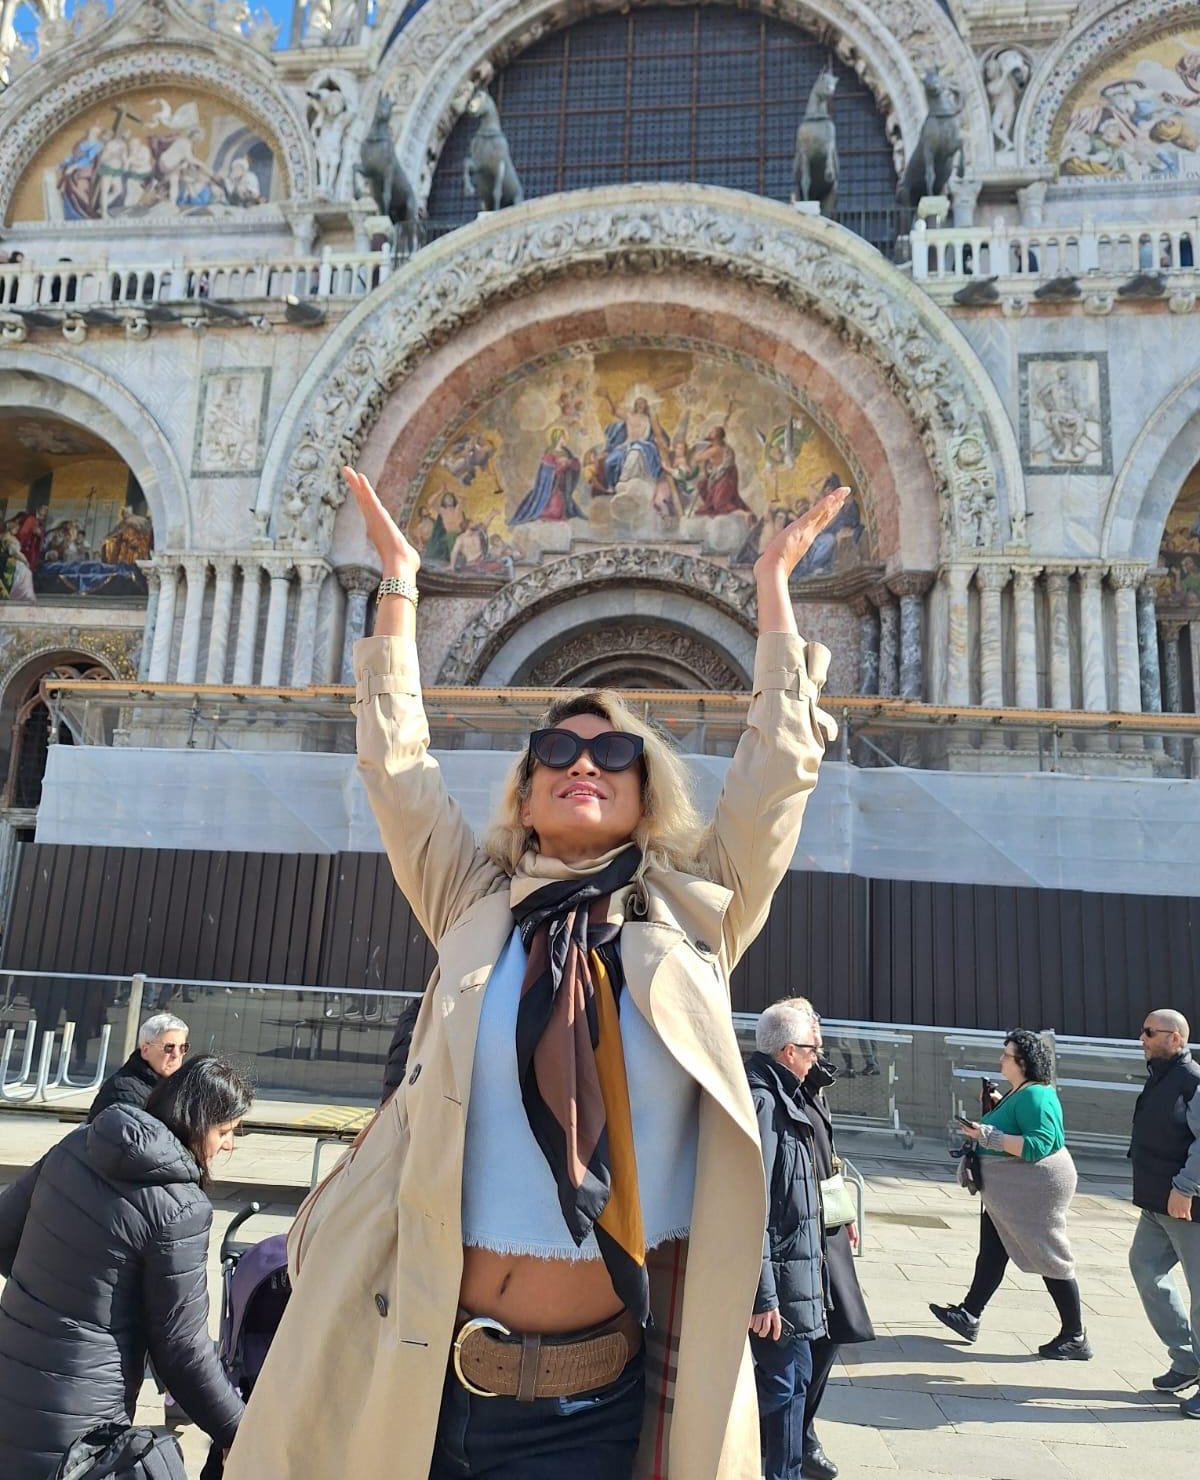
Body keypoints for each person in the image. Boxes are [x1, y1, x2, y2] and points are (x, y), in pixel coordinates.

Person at [223, 469, 849, 1480]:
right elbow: (399, 769)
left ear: (648, 792)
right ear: (526, 785)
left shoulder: (697, 913)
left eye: (613, 750)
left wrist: (773, 584)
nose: (583, 760)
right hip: (421, 1369)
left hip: (585, 1406)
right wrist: (399, 590)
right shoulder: (473, 903)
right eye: (557, 744)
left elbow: (779, 770)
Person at [0, 1055, 251, 1479]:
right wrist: (240, 1431)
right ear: (197, 1121)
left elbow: (5, 1233)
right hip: (80, 1412)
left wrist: (49, 1295)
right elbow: (182, 1351)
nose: (229, 1144)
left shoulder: (79, 1143)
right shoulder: (181, 1208)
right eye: (225, 1132)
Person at [929, 1029, 1091, 1360]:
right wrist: (997, 1105)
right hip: (1010, 1191)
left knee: (1049, 1255)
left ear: (1023, 1062)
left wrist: (987, 1134)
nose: (1000, 1060)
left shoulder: (1036, 1095)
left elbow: (1038, 1145)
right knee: (992, 1251)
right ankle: (969, 1314)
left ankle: (1075, 1335)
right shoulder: (1024, 1092)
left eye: (1006, 1055)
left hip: (1030, 1190)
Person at [745, 999, 828, 1480]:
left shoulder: (787, 1095)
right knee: (779, 1390)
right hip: (775, 1289)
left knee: (794, 1385)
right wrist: (763, 1296)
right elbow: (752, 1203)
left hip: (792, 1279)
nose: (819, 1057)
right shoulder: (765, 1102)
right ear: (790, 1051)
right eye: (814, 1049)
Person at [802, 1037, 874, 1478]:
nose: (821, 1049)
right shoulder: (775, 1088)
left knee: (836, 1329)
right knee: (810, 1338)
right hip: (799, 1230)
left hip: (828, 1224)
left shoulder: (815, 1084)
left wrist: (843, 1204)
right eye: (813, 1041)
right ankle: (798, 1434)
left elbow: (827, 1156)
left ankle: (801, 1428)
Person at [1127, 1008, 1200, 1415]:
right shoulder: (1161, 1077)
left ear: (1175, 1038)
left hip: (1186, 1205)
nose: (1142, 1038)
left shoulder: (1193, 1081)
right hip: (1156, 1205)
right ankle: (1188, 1358)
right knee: (1144, 1267)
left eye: (1149, 1032)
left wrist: (1185, 1188)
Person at [87, 1012, 190, 1121]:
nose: (176, 1055)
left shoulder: (179, 1089)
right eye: (169, 1048)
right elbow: (131, 1135)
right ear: (145, 1050)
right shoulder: (123, 1089)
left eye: (183, 1048)